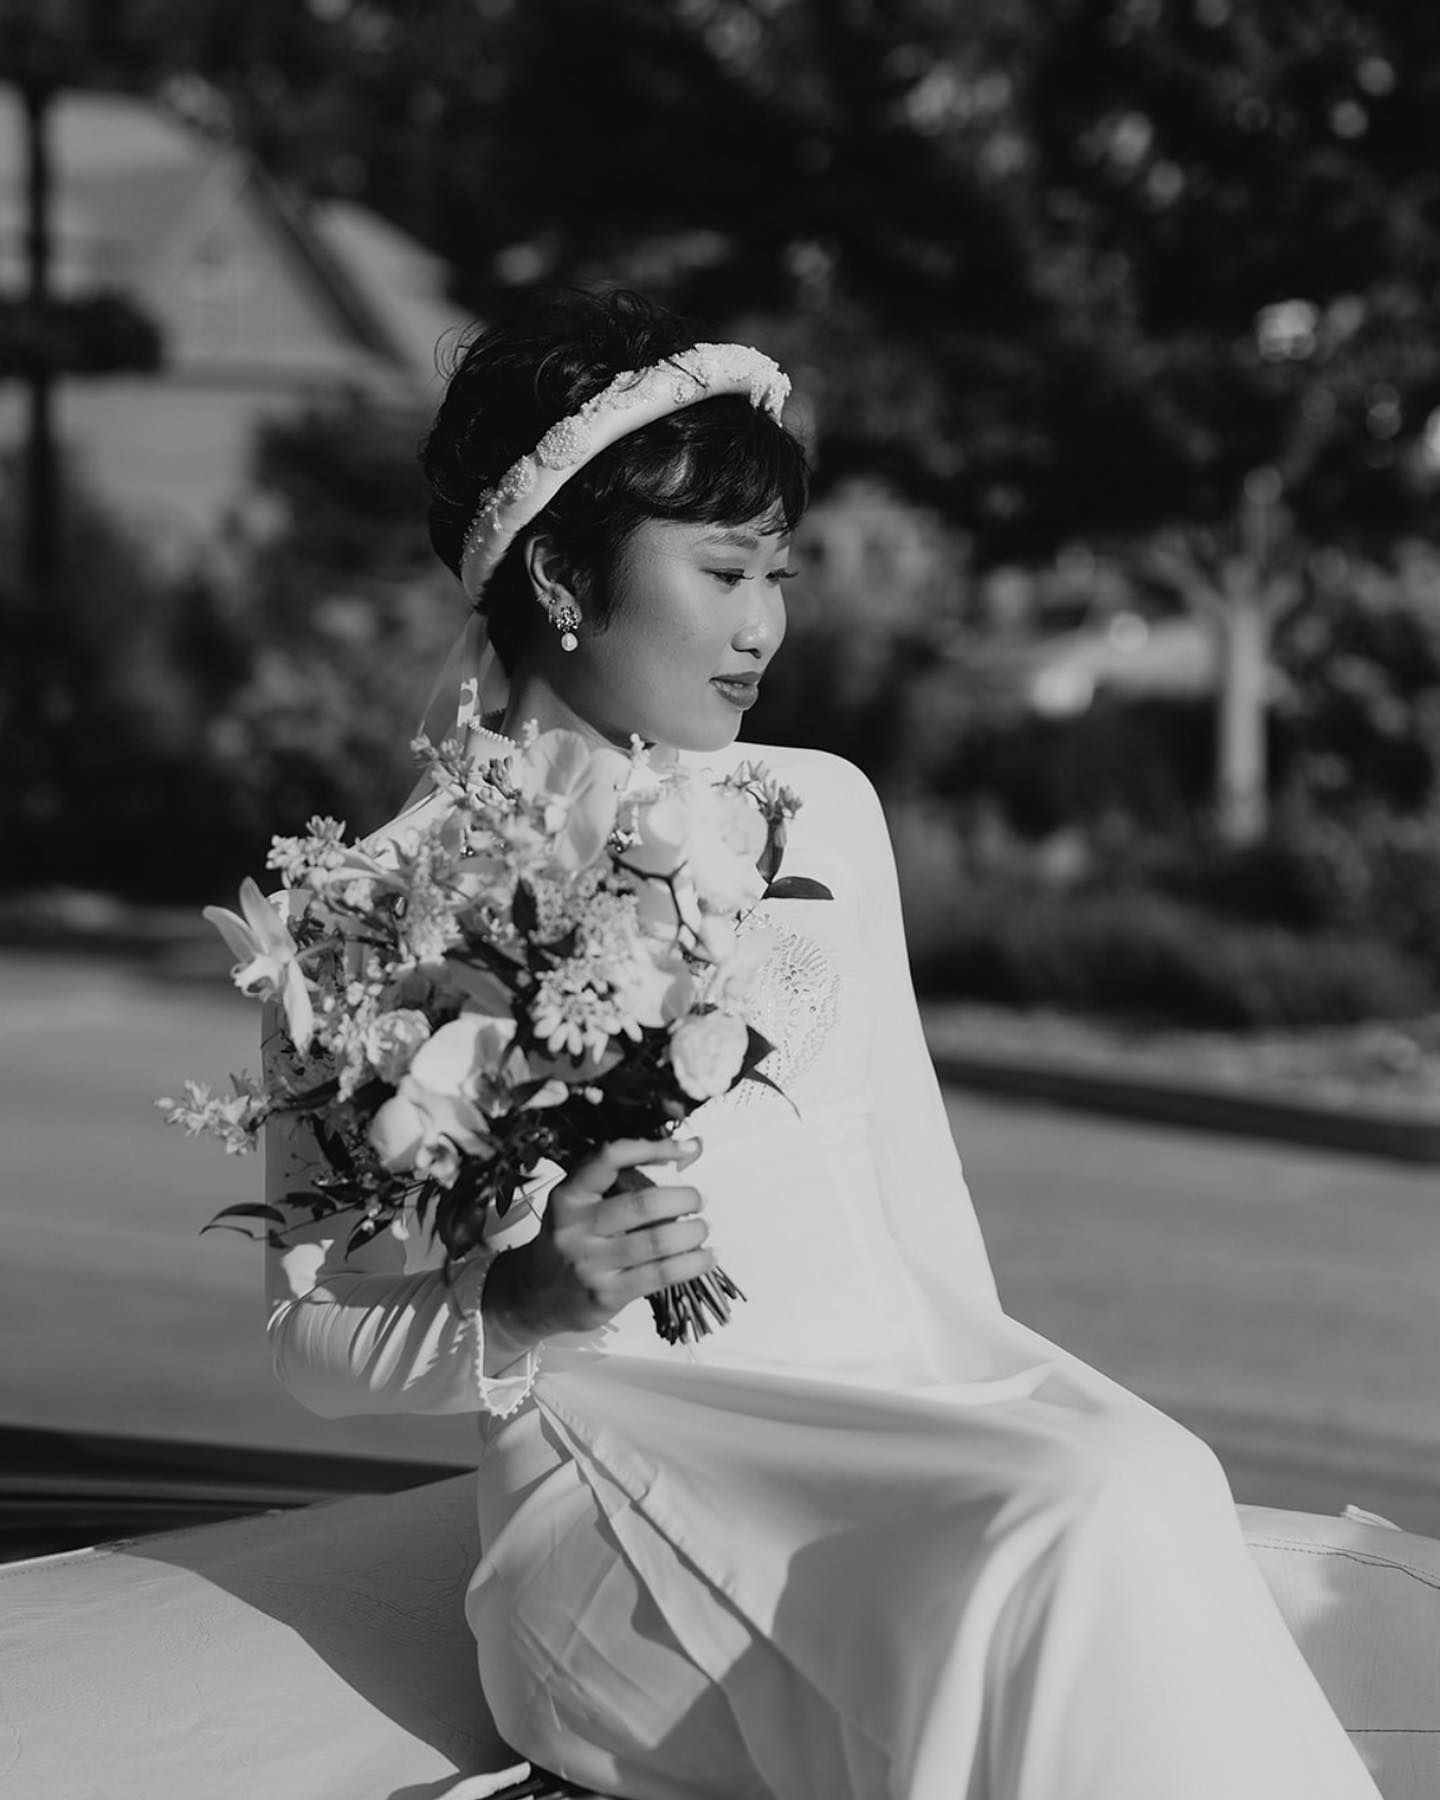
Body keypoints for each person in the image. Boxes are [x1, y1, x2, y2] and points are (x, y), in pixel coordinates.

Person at [263, 289, 1384, 1800]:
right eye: (725, 570)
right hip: (623, 1518)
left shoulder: (820, 813)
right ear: (559, 574)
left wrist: (991, 1425)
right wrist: (519, 1300)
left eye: (777, 572)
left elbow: (912, 1207)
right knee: (1069, 1513)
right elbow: (311, 1341)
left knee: (1135, 1478)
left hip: (897, 1448)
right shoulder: (363, 908)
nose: (765, 624)